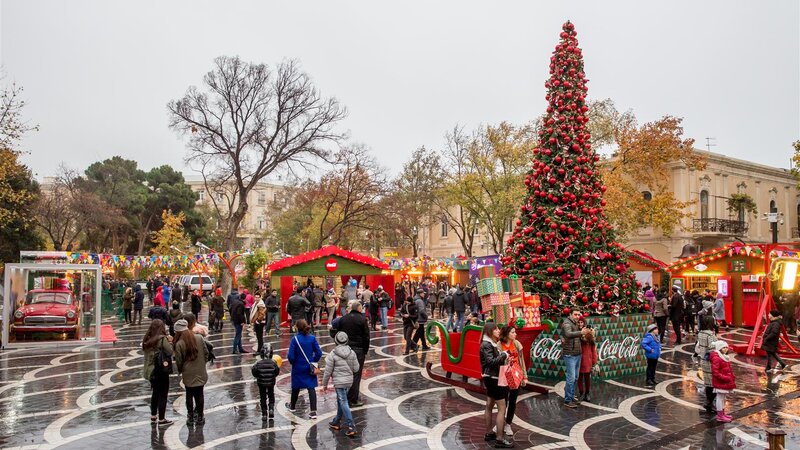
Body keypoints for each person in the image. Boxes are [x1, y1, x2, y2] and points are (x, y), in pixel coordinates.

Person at [480, 323, 513, 448]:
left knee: (489, 404)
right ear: (490, 331)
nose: (498, 331)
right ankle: (499, 438)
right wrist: (504, 355)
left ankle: (489, 433)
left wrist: (503, 356)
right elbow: (491, 362)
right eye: (496, 329)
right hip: (494, 378)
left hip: (491, 378)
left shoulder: (489, 344)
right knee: (502, 408)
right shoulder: (487, 345)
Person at [322, 331, 360, 438]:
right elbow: (356, 368)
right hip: (348, 382)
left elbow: (327, 372)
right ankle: (336, 422)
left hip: (339, 382)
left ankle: (351, 425)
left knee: (343, 401)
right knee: (341, 400)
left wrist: (324, 384)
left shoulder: (332, 354)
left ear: (336, 341)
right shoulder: (352, 353)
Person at [173, 319, 209, 426]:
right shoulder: (199, 338)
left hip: (187, 372)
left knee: (189, 394)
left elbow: (179, 361)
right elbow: (206, 352)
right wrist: (202, 363)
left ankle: (190, 417)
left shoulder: (179, 343)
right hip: (200, 370)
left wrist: (181, 369)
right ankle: (200, 416)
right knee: (200, 394)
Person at [285, 319, 322, 419]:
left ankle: (292, 406)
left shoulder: (295, 339)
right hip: (310, 366)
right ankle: (313, 411)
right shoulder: (312, 338)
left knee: (296, 387)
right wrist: (313, 360)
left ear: (297, 327)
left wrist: (294, 363)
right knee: (311, 388)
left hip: (298, 367)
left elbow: (291, 356)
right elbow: (319, 353)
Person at [337, 300, 370, 407]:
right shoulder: (362, 319)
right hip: (358, 350)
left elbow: (338, 334)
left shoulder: (343, 318)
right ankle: (353, 399)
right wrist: (365, 350)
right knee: (356, 375)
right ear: (359, 308)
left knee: (345, 373)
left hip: (345, 349)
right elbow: (366, 336)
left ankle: (343, 396)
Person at [142, 319, 174, 426]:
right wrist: (170, 342)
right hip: (160, 370)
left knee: (155, 392)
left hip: (150, 371)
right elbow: (169, 352)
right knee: (163, 394)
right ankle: (162, 418)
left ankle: (153, 415)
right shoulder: (162, 339)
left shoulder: (147, 339)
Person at [499, 325, 527, 437]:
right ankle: (500, 423)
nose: (515, 334)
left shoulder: (516, 344)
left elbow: (522, 360)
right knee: (503, 401)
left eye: (515, 332)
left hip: (516, 374)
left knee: (513, 401)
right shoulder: (499, 345)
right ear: (506, 334)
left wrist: (524, 376)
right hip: (504, 374)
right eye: (513, 332)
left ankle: (508, 424)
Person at [561, 309, 583, 408]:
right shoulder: (567, 323)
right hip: (570, 354)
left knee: (575, 378)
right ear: (570, 314)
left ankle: (571, 396)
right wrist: (582, 332)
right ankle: (567, 400)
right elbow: (569, 334)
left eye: (579, 314)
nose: (577, 316)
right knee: (571, 378)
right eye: (575, 314)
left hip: (577, 354)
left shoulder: (575, 323)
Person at [695, 315, 718, 413]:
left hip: (703, 360)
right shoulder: (710, 335)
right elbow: (713, 348)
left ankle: (708, 402)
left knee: (708, 383)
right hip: (711, 360)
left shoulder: (700, 333)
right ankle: (709, 403)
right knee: (713, 383)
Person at [251, 343, 280, 420]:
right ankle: (271, 409)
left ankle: (264, 413)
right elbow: (277, 372)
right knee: (271, 395)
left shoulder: (258, 363)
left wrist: (258, 377)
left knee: (263, 397)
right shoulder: (274, 363)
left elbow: (254, 372)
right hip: (271, 382)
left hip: (261, 383)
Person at [709, 340, 736, 423]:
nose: (725, 349)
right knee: (720, 398)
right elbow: (715, 372)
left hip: (724, 381)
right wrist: (726, 378)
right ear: (719, 348)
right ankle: (720, 415)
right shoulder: (717, 357)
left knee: (722, 398)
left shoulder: (723, 356)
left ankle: (722, 413)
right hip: (721, 382)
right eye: (723, 347)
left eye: (726, 347)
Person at [578, 324, 598, 401]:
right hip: (579, 360)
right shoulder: (578, 336)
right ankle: (581, 392)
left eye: (582, 322)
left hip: (588, 361)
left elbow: (594, 351)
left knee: (587, 378)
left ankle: (587, 393)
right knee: (579, 377)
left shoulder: (590, 339)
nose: (580, 324)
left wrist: (594, 361)